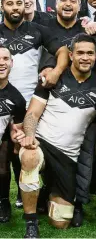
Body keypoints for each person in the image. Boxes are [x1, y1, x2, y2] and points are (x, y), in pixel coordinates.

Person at [18, 33, 96, 237]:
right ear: (71, 54)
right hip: (42, 144)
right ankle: (31, 223)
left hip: (68, 157)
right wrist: (30, 135)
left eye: (89, 53)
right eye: (80, 53)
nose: (85, 57)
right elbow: (32, 113)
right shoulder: (52, 80)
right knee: (29, 157)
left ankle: (47, 190)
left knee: (60, 222)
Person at [0, 46, 28, 223]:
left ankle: (3, 202)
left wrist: (16, 139)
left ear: (11, 63)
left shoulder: (17, 98)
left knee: (2, 169)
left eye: (5, 59)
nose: (1, 63)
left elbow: (17, 130)